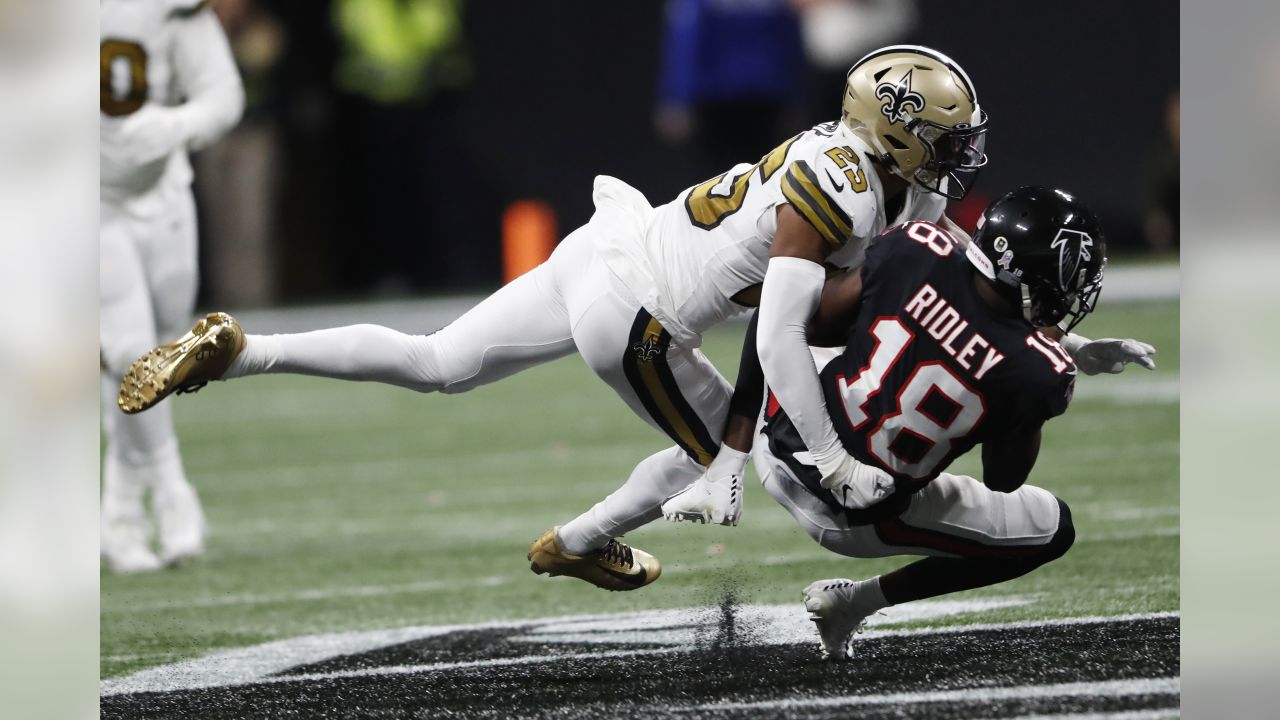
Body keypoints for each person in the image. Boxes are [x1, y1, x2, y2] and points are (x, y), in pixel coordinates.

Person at [116, 46, 1149, 590]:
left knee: (436, 362)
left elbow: (836, 305)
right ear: (896, 131)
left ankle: (246, 349)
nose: (965, 154)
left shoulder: (872, 177)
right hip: (641, 316)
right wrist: (825, 458)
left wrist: (1054, 342)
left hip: (610, 245)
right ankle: (577, 541)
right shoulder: (840, 186)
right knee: (773, 474)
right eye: (950, 135)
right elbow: (778, 337)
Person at [700, 186, 1106, 660]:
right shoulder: (1040, 373)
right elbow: (1003, 479)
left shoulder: (915, 246)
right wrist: (1048, 362)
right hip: (853, 515)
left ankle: (723, 457)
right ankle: (855, 603)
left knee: (790, 306)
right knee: (1052, 530)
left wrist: (914, 320)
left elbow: (802, 324)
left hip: (781, 443)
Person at [100, 0, 245, 572]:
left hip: (163, 191)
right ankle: (173, 492)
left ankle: (119, 514)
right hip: (84, 198)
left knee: (164, 350)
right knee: (128, 350)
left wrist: (173, 124)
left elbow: (224, 94)